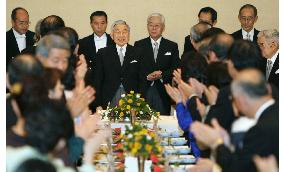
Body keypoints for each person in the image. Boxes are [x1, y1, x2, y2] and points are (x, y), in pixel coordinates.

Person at [191, 68, 279, 172]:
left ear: (241, 100)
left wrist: (216, 143)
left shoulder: (261, 129)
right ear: (268, 89)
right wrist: (226, 143)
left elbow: (239, 169)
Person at [134, 13, 180, 115]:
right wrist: (147, 76)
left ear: (163, 27)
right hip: (145, 90)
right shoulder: (139, 45)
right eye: (151, 25)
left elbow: (176, 67)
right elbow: (135, 68)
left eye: (157, 25)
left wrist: (162, 74)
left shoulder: (171, 46)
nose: (153, 28)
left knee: (162, 125)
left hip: (163, 90)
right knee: (143, 123)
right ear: (147, 26)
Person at [95, 20, 142, 108]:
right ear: (112, 36)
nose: (121, 35)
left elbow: (142, 79)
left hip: (132, 97)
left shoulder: (138, 52)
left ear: (129, 35)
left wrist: (140, 99)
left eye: (124, 31)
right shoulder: (103, 53)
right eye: (117, 32)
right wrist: (98, 104)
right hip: (109, 96)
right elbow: (97, 80)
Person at [78, 11, 114, 98]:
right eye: (96, 23)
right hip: (90, 87)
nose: (99, 26)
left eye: (102, 23)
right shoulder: (83, 43)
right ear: (91, 24)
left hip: (111, 84)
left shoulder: (114, 41)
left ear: (107, 23)